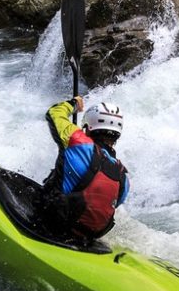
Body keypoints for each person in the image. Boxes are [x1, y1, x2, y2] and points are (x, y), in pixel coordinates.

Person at [40, 96, 129, 241]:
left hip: (54, 225)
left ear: (87, 128)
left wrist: (73, 104)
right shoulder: (123, 175)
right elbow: (113, 202)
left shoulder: (77, 140)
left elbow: (54, 113)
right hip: (89, 235)